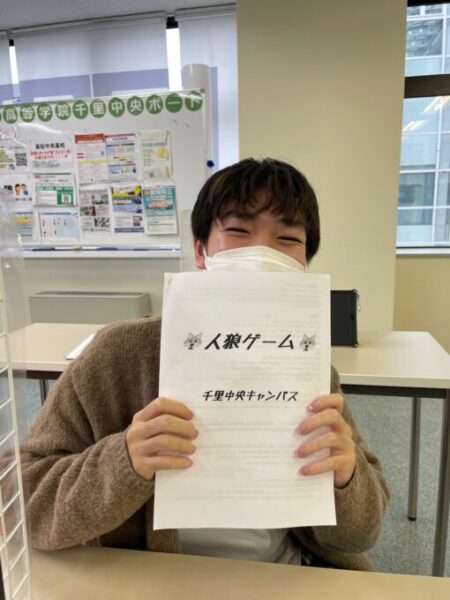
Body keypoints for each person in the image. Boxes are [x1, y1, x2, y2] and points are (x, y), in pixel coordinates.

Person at [20, 158, 389, 570]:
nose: (262, 252)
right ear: (200, 250)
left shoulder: (307, 362)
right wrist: (124, 461)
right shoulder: (117, 354)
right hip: (154, 581)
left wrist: (347, 477)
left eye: (288, 238)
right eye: (238, 230)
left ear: (304, 265)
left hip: (285, 573)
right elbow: (21, 502)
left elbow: (362, 533)